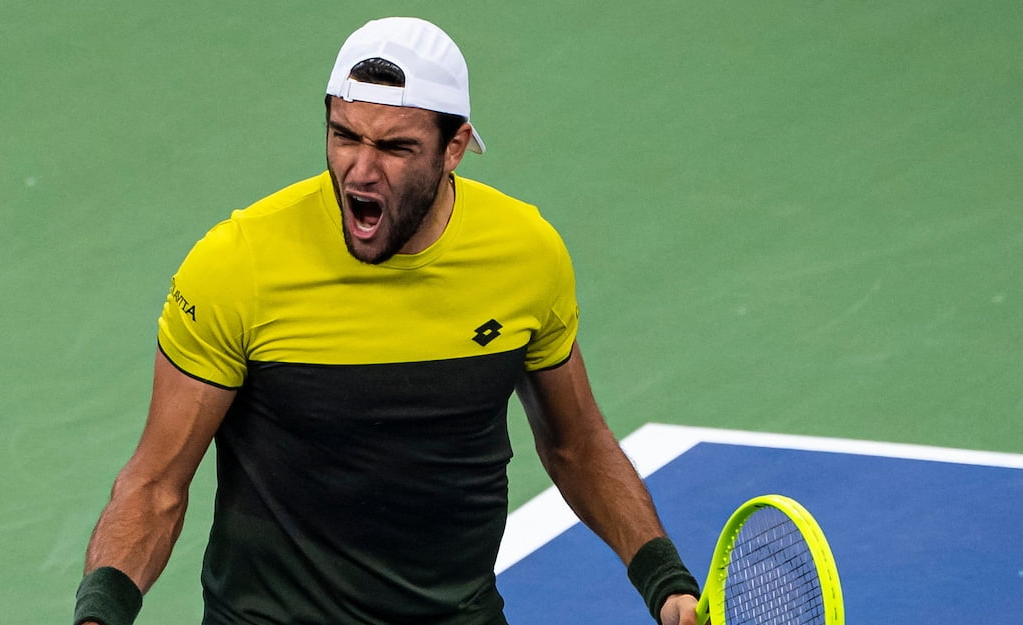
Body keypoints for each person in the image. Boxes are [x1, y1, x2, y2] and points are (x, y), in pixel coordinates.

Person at [73, 16, 699, 625]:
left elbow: (576, 444)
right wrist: (101, 613)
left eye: (396, 147)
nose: (360, 170)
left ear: (454, 147)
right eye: (345, 135)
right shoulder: (238, 265)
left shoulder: (526, 255)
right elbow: (155, 485)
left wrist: (663, 580)